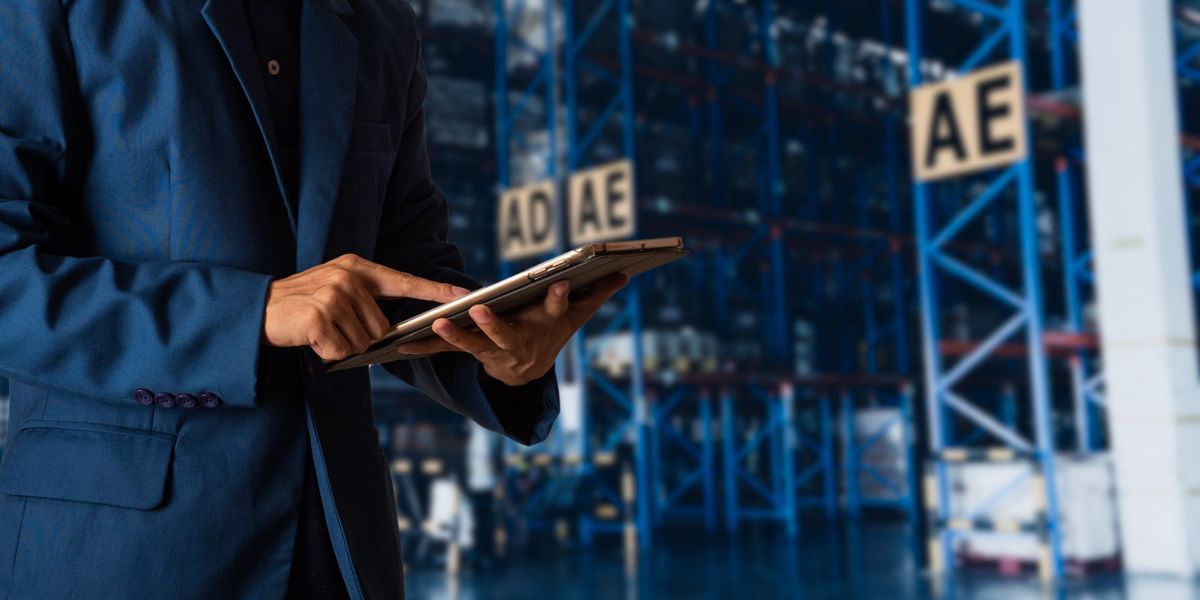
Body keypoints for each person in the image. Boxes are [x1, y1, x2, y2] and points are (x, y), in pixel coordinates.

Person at [0, 0, 625, 597]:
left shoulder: (383, 25)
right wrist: (248, 315)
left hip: (339, 548)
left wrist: (500, 356)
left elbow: (404, 271)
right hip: (124, 551)